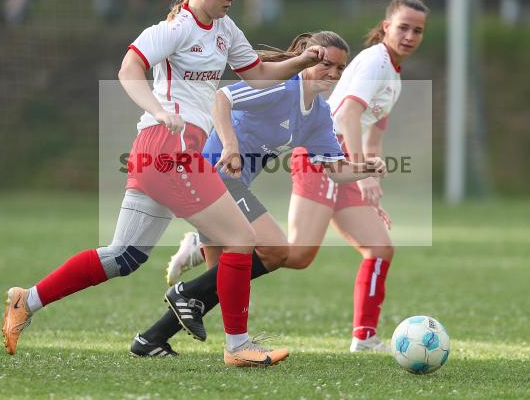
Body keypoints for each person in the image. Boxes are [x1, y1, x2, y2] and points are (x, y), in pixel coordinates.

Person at [1, 0, 325, 367]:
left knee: (124, 257)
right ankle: (238, 346)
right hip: (169, 147)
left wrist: (301, 61)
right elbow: (128, 70)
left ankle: (26, 300)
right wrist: (157, 109)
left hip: (163, 152)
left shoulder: (225, 29)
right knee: (242, 240)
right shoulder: (174, 28)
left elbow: (259, 75)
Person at [167, 0, 429, 353]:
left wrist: (370, 172)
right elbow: (350, 112)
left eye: (418, 31)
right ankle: (207, 272)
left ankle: (364, 337)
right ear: (386, 27)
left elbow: (375, 127)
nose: (410, 36)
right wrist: (363, 172)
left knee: (358, 250)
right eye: (404, 27)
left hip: (337, 157)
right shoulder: (374, 62)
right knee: (280, 252)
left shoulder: (392, 75)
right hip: (324, 156)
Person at [131, 32, 388, 357]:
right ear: (308, 58)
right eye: (326, 65)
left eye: (340, 69)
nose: (333, 75)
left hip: (227, 186)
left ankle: (151, 339)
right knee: (276, 249)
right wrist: (231, 145)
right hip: (211, 175)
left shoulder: (320, 114)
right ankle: (190, 297)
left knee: (222, 282)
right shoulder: (283, 87)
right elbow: (221, 99)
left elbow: (335, 170)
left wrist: (367, 168)